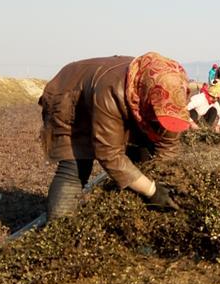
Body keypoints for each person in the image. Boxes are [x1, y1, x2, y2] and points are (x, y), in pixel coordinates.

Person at [39, 52, 190, 219]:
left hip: (120, 101)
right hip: (72, 97)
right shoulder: (111, 91)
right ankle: (59, 224)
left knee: (143, 158)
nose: (159, 121)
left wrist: (162, 179)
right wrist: (151, 190)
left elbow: (168, 145)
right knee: (77, 165)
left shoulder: (172, 96)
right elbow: (109, 154)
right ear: (147, 99)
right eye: (156, 114)